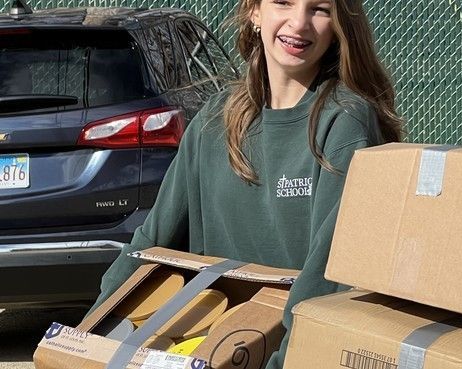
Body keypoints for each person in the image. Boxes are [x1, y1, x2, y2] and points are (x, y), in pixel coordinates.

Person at [88, 0, 403, 367]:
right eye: (283, 3)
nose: (298, 23)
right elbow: (151, 241)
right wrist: (87, 335)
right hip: (206, 351)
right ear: (254, 12)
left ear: (339, 26)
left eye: (319, 9)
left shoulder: (344, 123)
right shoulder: (215, 119)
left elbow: (329, 277)